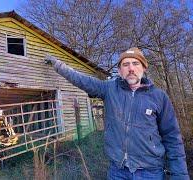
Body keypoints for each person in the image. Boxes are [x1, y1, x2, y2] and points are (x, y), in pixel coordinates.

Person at [45, 47, 189, 180]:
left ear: (144, 68)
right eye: (125, 65)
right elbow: (82, 80)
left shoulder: (159, 97)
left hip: (150, 172)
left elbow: (172, 138)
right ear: (120, 71)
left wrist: (180, 175)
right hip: (118, 171)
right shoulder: (109, 89)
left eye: (135, 63)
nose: (131, 68)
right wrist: (59, 65)